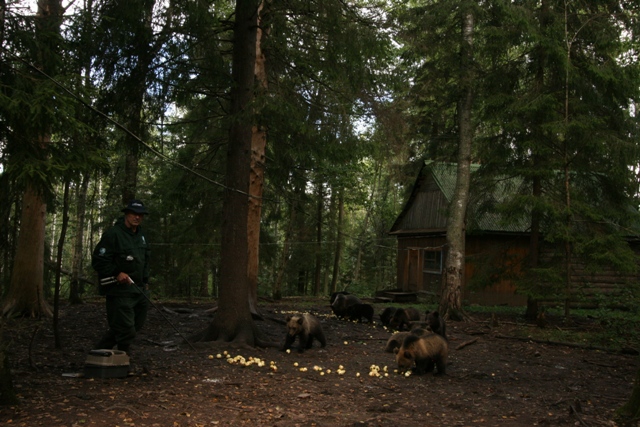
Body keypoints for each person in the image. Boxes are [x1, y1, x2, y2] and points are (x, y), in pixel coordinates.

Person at [91, 199, 150, 355]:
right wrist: (116, 273)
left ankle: (98, 353)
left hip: (139, 290)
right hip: (120, 291)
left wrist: (145, 280)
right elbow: (99, 260)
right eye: (134, 214)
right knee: (125, 329)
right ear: (126, 214)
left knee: (133, 326)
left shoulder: (141, 235)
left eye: (140, 215)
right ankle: (124, 360)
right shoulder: (113, 234)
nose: (137, 217)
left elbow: (145, 259)